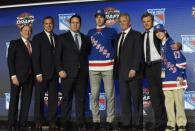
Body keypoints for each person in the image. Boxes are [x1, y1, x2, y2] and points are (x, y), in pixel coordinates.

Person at [55, 14, 91, 130]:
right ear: (70, 24)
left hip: (82, 74)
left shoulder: (86, 38)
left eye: (77, 23)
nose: (75, 25)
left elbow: (86, 55)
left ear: (80, 24)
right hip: (67, 74)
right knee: (66, 98)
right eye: (73, 23)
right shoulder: (62, 38)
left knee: (81, 99)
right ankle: (65, 122)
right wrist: (60, 69)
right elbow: (57, 57)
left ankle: (80, 122)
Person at [87, 9, 117, 130]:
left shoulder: (112, 31)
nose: (99, 19)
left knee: (110, 94)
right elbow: (87, 49)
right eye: (97, 17)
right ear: (95, 18)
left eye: (101, 17)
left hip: (108, 67)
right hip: (93, 68)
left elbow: (116, 47)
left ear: (104, 18)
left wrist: (112, 58)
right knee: (94, 95)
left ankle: (110, 120)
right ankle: (96, 120)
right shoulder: (90, 32)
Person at [154, 24, 188, 131]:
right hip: (166, 79)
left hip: (176, 78)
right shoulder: (161, 45)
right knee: (168, 103)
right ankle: (171, 124)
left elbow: (182, 62)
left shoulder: (172, 43)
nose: (159, 33)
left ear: (165, 31)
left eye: (160, 31)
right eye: (156, 32)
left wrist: (180, 75)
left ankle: (181, 123)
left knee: (179, 103)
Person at [114, 13, 143, 130]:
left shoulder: (136, 35)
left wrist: (134, 68)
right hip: (121, 73)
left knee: (136, 99)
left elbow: (138, 53)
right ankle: (127, 122)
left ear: (129, 22)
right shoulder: (118, 36)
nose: (122, 23)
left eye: (124, 21)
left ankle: (138, 123)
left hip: (133, 73)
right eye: (120, 21)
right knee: (124, 99)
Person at [141, 12, 167, 130]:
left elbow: (168, 42)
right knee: (155, 97)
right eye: (144, 21)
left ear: (152, 21)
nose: (146, 23)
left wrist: (179, 46)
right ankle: (159, 123)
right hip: (148, 68)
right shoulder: (141, 36)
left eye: (148, 21)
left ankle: (170, 121)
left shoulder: (158, 32)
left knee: (165, 95)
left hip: (160, 66)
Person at [32, 16, 58, 129]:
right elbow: (35, 57)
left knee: (53, 100)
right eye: (46, 23)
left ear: (54, 24)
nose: (49, 25)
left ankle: (52, 121)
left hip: (54, 74)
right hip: (41, 74)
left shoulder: (57, 38)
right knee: (39, 98)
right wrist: (38, 73)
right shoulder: (37, 38)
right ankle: (38, 121)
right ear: (43, 25)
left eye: (50, 23)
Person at [7, 25, 33, 130]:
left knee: (26, 101)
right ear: (21, 32)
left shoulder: (32, 44)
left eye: (29, 30)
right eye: (25, 30)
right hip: (17, 77)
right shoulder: (14, 43)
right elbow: (10, 60)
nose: (27, 32)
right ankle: (11, 124)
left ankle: (23, 123)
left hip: (30, 77)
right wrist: (13, 76)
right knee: (14, 100)